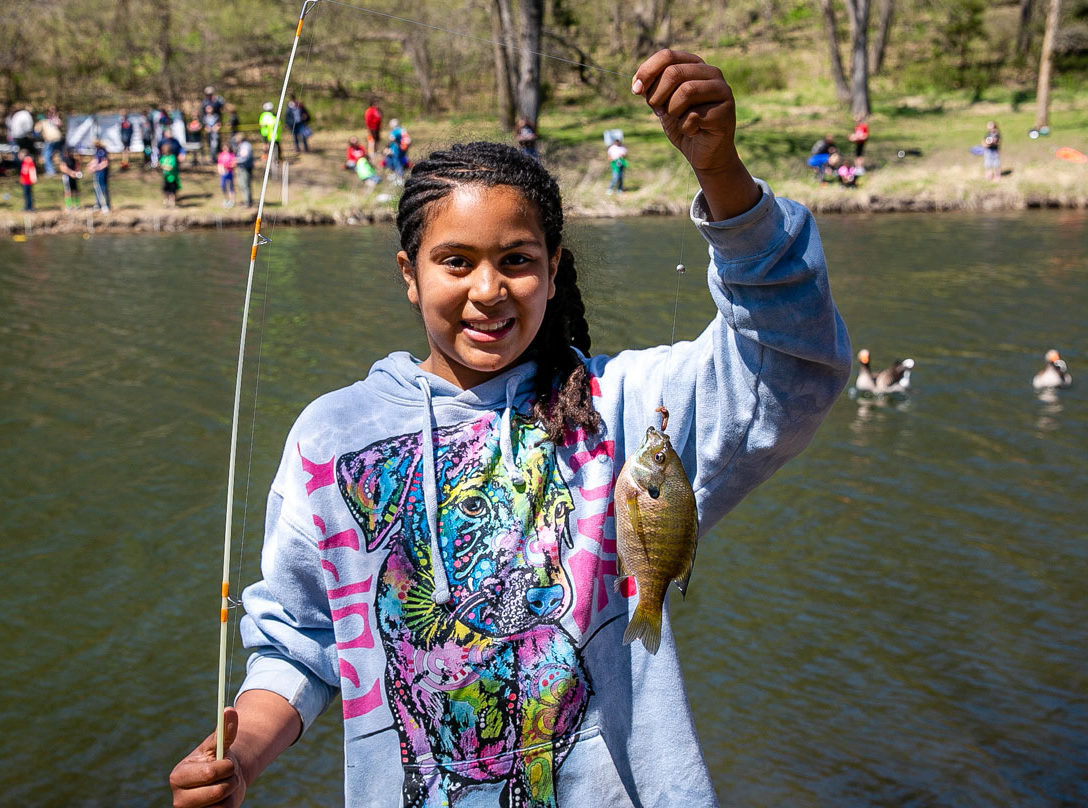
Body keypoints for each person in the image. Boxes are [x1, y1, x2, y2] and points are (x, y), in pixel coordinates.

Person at [168, 48, 849, 808]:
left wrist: (724, 178)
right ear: (408, 273)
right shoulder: (333, 438)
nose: (487, 290)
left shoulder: (620, 406)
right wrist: (240, 758)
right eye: (454, 261)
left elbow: (790, 366)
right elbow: (301, 639)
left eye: (517, 260)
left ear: (554, 270)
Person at [38, 108, 64, 175]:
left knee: (46, 156)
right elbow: (60, 124)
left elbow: (36, 131)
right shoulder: (52, 121)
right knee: (61, 155)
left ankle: (51, 172)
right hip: (58, 138)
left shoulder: (42, 122)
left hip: (51, 140)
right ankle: (65, 168)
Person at [58, 145, 82, 211]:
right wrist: (71, 173)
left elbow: (77, 167)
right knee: (68, 192)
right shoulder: (63, 159)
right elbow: (63, 168)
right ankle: (69, 206)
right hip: (67, 177)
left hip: (73, 177)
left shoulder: (73, 159)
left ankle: (77, 205)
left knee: (76, 191)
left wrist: (77, 173)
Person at [90, 142, 111, 212]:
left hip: (102, 173)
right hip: (97, 173)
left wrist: (96, 167)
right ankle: (98, 204)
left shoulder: (102, 151)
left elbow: (105, 163)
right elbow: (96, 160)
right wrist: (90, 166)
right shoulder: (97, 151)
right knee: (97, 189)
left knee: (103, 189)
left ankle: (105, 205)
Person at [235, 133, 254, 207]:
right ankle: (247, 201)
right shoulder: (242, 145)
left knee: (245, 184)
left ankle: (247, 202)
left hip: (245, 168)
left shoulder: (245, 146)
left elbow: (245, 157)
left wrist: (236, 160)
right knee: (243, 184)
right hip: (242, 168)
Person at [216, 141, 237, 208]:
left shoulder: (231, 155)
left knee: (231, 186)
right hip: (223, 173)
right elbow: (219, 164)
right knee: (223, 186)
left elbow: (234, 163)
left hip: (229, 172)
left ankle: (232, 201)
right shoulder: (221, 155)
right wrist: (220, 170)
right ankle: (226, 199)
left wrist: (229, 166)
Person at [159, 142, 180, 208]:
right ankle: (165, 202)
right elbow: (160, 165)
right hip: (166, 178)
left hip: (172, 178)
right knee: (165, 191)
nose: (165, 152)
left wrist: (163, 166)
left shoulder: (172, 157)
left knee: (172, 192)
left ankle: (172, 203)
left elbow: (170, 168)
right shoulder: (163, 157)